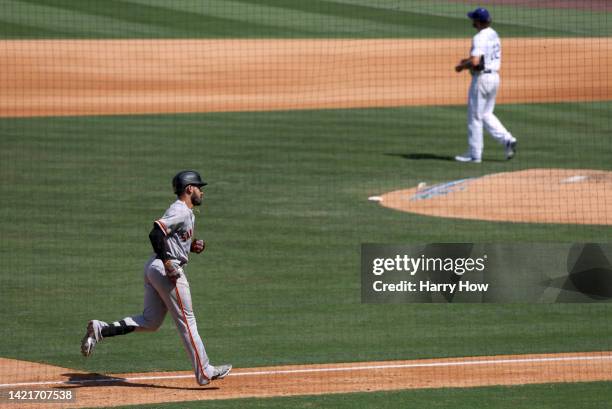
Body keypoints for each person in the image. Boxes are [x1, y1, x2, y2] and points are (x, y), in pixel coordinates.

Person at [80, 170, 231, 386]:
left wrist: (193, 246)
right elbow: (155, 233)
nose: (201, 192)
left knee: (150, 322)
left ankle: (100, 329)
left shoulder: (186, 213)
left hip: (154, 268)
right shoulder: (180, 210)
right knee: (188, 322)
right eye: (199, 187)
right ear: (189, 189)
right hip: (166, 270)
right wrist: (169, 261)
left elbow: (172, 238)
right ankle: (205, 371)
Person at [454, 7, 517, 163]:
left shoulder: (479, 37)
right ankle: (508, 140)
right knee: (486, 114)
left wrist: (462, 66)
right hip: (494, 78)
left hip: (482, 80)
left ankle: (475, 155)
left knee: (475, 117)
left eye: (473, 19)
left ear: (477, 21)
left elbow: (475, 61)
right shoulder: (494, 33)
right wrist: (469, 62)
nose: (472, 22)